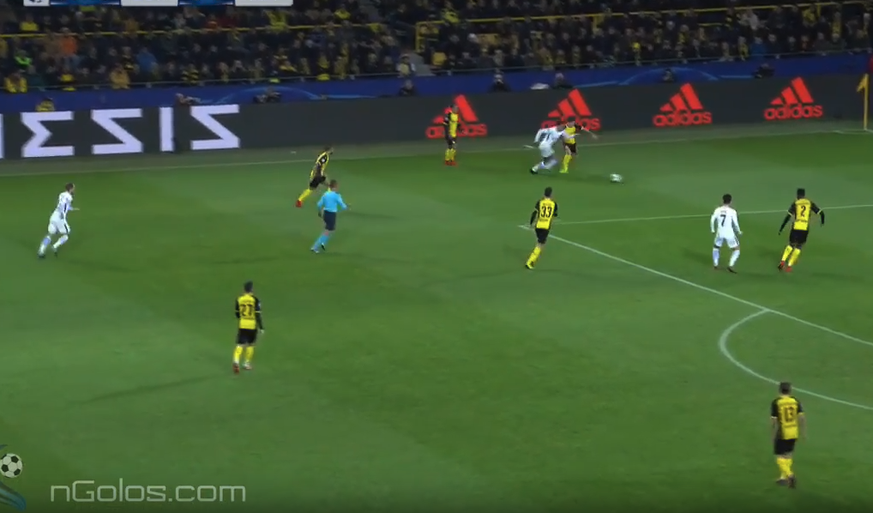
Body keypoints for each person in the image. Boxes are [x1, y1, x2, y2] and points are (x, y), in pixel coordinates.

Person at [778, 188, 824, 272]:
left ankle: (782, 261)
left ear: (797, 195)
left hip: (796, 226)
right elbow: (821, 213)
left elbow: (788, 217)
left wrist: (782, 227)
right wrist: (822, 221)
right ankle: (789, 266)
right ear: (804, 195)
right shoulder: (809, 203)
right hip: (804, 228)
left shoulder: (796, 203)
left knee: (791, 244)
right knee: (799, 246)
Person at [771, 381, 804, 488]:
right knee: (788, 454)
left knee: (779, 456)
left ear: (779, 390)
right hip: (793, 431)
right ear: (790, 390)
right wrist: (803, 431)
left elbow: (774, 420)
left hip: (782, 432)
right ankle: (783, 478)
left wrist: (773, 433)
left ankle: (790, 475)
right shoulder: (795, 401)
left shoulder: (777, 402)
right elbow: (801, 417)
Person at [38, 183, 76, 258]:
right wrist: (62, 213)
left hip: (54, 215)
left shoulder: (61, 194)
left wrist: (70, 208)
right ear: (71, 189)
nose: (74, 190)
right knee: (66, 235)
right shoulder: (69, 197)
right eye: (73, 188)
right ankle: (55, 246)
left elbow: (62, 205)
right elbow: (63, 204)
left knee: (50, 234)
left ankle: (41, 250)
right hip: (60, 218)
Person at [233, 281, 264, 374]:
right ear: (252, 289)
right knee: (251, 344)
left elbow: (237, 313)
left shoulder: (239, 299)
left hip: (242, 324)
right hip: (252, 325)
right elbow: (257, 314)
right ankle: (246, 364)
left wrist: (242, 318)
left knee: (240, 344)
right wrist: (261, 327)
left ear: (244, 289)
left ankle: (236, 360)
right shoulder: (255, 300)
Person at [312, 180, 348, 253]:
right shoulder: (336, 196)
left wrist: (319, 212)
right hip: (331, 214)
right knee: (327, 231)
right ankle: (315, 247)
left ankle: (323, 243)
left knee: (330, 229)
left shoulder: (325, 194)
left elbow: (319, 204)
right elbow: (343, 206)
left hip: (325, 213)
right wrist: (345, 207)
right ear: (334, 187)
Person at [525, 187, 558, 269]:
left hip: (538, 226)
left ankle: (533, 257)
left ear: (544, 194)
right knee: (540, 244)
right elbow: (555, 214)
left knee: (540, 242)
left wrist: (531, 223)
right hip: (545, 227)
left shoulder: (540, 202)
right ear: (551, 194)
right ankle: (530, 262)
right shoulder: (554, 204)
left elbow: (534, 213)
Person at [710, 194, 742, 272]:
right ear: (730, 201)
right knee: (736, 249)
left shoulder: (717, 210)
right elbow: (735, 223)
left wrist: (712, 229)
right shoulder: (732, 211)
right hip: (729, 233)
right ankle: (731, 265)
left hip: (719, 233)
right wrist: (739, 231)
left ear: (722, 200)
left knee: (716, 247)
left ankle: (715, 264)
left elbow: (712, 219)